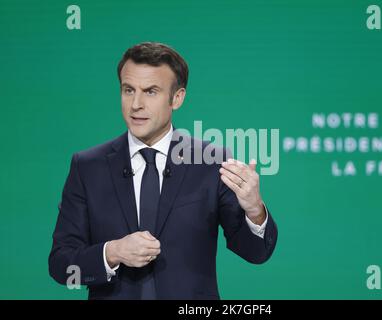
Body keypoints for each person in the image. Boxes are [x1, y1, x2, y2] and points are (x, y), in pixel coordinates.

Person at [48, 42, 277, 299]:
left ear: (177, 98)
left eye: (151, 91)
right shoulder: (88, 167)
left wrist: (255, 211)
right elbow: (61, 264)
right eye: (128, 90)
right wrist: (112, 252)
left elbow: (255, 252)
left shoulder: (211, 162)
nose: (136, 104)